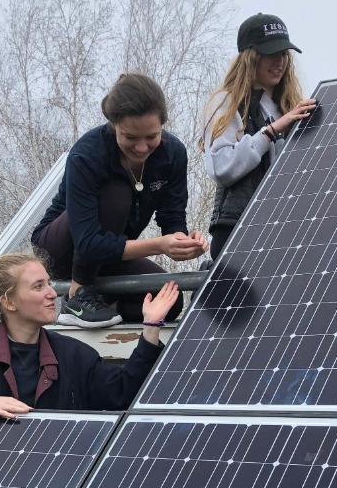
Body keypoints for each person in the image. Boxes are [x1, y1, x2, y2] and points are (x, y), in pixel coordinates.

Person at [0, 252, 179, 430]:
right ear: (8, 302)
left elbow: (122, 392)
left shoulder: (74, 355)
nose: (51, 294)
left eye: (49, 284)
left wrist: (151, 327)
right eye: (38, 287)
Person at [31, 72, 207, 328]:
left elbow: (172, 217)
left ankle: (107, 303)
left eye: (151, 137)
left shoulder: (174, 154)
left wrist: (181, 242)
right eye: (130, 137)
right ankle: (78, 297)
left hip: (110, 254)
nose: (142, 147)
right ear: (114, 126)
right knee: (117, 193)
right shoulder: (87, 154)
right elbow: (88, 242)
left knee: (169, 301)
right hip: (63, 249)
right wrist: (160, 245)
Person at [202, 13, 317, 260]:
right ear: (250, 58)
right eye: (271, 54)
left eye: (284, 54)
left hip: (285, 232)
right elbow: (221, 167)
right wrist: (271, 131)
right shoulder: (227, 102)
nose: (280, 62)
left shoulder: (290, 106)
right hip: (238, 230)